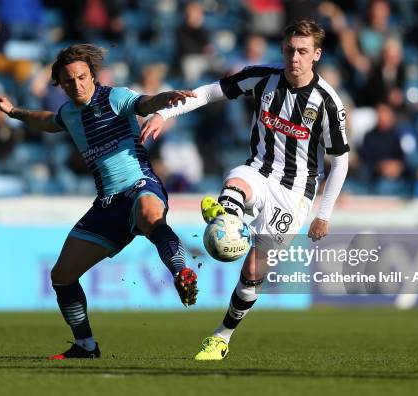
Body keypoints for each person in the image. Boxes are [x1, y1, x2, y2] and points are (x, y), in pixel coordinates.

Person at [141, 20, 349, 360]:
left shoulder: (328, 102)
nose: (294, 58)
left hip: (295, 193)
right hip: (259, 171)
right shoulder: (263, 78)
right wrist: (165, 114)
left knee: (253, 272)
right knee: (236, 182)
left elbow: (339, 161)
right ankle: (227, 214)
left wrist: (323, 214)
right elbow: (209, 92)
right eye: (288, 50)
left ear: (316, 55)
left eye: (302, 52)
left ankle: (222, 336)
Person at [0, 43, 198, 359]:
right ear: (59, 84)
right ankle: (86, 346)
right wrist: (14, 111)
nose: (77, 84)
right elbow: (46, 121)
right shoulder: (69, 114)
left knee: (149, 214)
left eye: (82, 77)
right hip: (107, 204)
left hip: (140, 185)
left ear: (93, 76)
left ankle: (182, 272)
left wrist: (164, 99)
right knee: (61, 276)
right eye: (69, 80)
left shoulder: (114, 97)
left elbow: (143, 103)